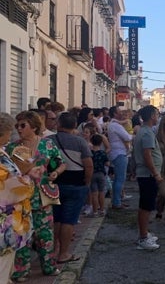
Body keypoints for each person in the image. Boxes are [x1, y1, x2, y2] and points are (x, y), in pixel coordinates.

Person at [6, 111, 65, 280]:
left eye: (22, 125)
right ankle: (21, 270)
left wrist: (56, 173)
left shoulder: (47, 144)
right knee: (22, 232)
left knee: (45, 233)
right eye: (17, 126)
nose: (18, 129)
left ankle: (48, 266)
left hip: (42, 195)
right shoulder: (12, 147)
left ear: (34, 126)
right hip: (20, 197)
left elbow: (60, 163)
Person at [0, 112, 41, 284]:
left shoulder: (3, 151)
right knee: (3, 264)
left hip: (10, 221)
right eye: (10, 130)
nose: (12, 134)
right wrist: (27, 178)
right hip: (5, 223)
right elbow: (7, 187)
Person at [51, 111, 92, 265]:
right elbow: (89, 165)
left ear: (58, 125)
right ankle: (64, 254)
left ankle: (53, 250)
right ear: (75, 125)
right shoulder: (80, 142)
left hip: (54, 184)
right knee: (68, 220)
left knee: (55, 218)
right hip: (76, 184)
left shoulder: (48, 141)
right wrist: (86, 182)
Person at [133, 105, 162, 251]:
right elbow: (147, 155)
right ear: (152, 116)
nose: (158, 116)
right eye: (157, 114)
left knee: (146, 205)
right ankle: (143, 238)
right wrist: (155, 173)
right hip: (148, 174)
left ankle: (144, 233)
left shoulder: (144, 131)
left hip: (146, 174)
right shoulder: (147, 133)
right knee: (146, 206)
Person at [107, 106, 133, 210]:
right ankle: (116, 202)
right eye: (119, 112)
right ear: (114, 114)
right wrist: (133, 136)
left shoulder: (114, 125)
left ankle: (117, 201)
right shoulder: (115, 126)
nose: (122, 113)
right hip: (119, 153)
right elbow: (127, 137)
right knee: (120, 179)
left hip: (117, 152)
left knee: (118, 179)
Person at [88, 134, 109, 217]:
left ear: (91, 142)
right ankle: (102, 210)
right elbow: (107, 163)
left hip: (92, 173)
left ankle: (95, 211)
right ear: (101, 143)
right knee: (101, 192)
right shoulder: (103, 153)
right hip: (101, 174)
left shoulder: (90, 153)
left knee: (94, 193)